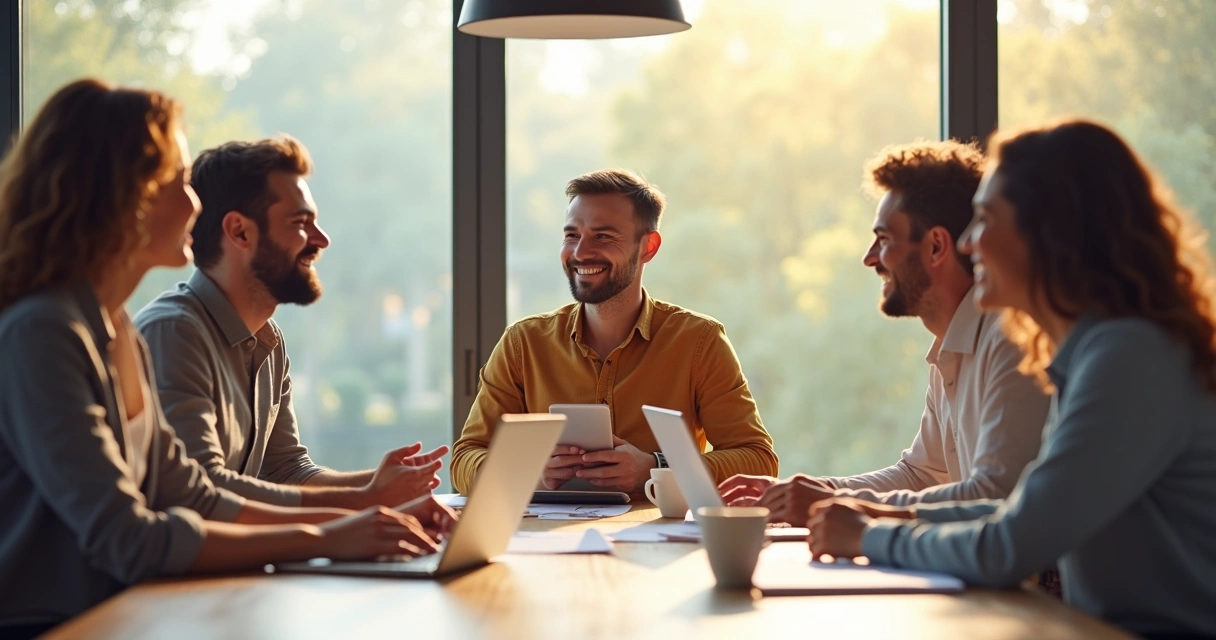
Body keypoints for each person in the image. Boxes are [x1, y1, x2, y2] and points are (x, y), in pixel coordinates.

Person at [0, 79, 445, 638]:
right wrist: (329, 534)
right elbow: (128, 538)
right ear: (123, 197)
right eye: (177, 182)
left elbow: (193, 495)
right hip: (54, 626)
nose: (194, 204)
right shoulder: (42, 333)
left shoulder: (118, 331)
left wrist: (361, 519)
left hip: (127, 614)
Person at [807, 120, 1216, 639]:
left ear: (1047, 231)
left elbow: (1011, 545)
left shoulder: (1129, 357)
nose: (969, 243)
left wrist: (869, 537)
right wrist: (882, 518)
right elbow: (1018, 510)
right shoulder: (1097, 352)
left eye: (984, 220)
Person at [718, 141, 1049, 525]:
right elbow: (920, 475)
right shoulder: (950, 346)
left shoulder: (1013, 340)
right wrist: (802, 494)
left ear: (936, 246)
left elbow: (994, 495)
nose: (870, 257)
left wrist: (836, 506)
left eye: (885, 239)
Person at [134, 136, 448, 510]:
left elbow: (287, 471)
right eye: (300, 222)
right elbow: (203, 491)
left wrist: (386, 486)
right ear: (240, 232)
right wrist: (366, 500)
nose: (322, 240)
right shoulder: (173, 333)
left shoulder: (269, 341)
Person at [451, 169, 778, 494]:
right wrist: (528, 472)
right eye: (572, 235)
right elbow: (465, 459)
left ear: (648, 246)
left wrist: (655, 468)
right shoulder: (523, 343)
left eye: (603, 236)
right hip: (546, 529)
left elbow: (758, 460)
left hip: (657, 530)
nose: (580, 253)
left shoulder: (700, 342)